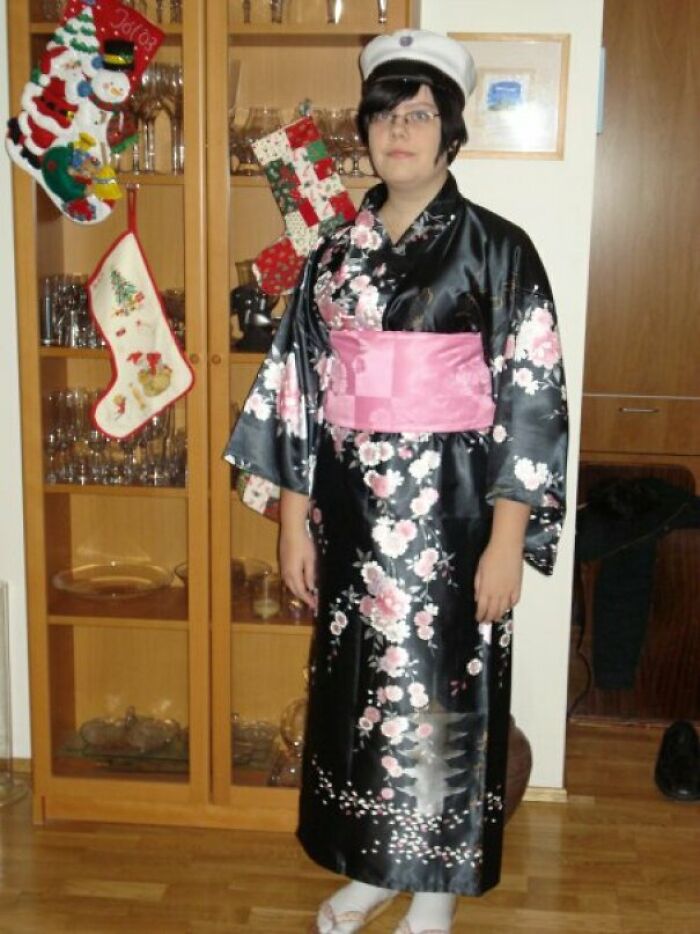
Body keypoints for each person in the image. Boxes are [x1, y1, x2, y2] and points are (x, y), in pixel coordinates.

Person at [225, 28, 568, 934]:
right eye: (384, 115)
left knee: (443, 699)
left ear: (452, 134)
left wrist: (505, 540)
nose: (400, 132)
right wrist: (294, 521)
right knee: (358, 695)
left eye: (420, 115)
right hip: (352, 515)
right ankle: (374, 868)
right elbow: (299, 388)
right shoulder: (334, 256)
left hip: (456, 519)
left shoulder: (501, 251)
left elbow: (531, 399)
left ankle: (436, 887)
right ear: (365, 133)